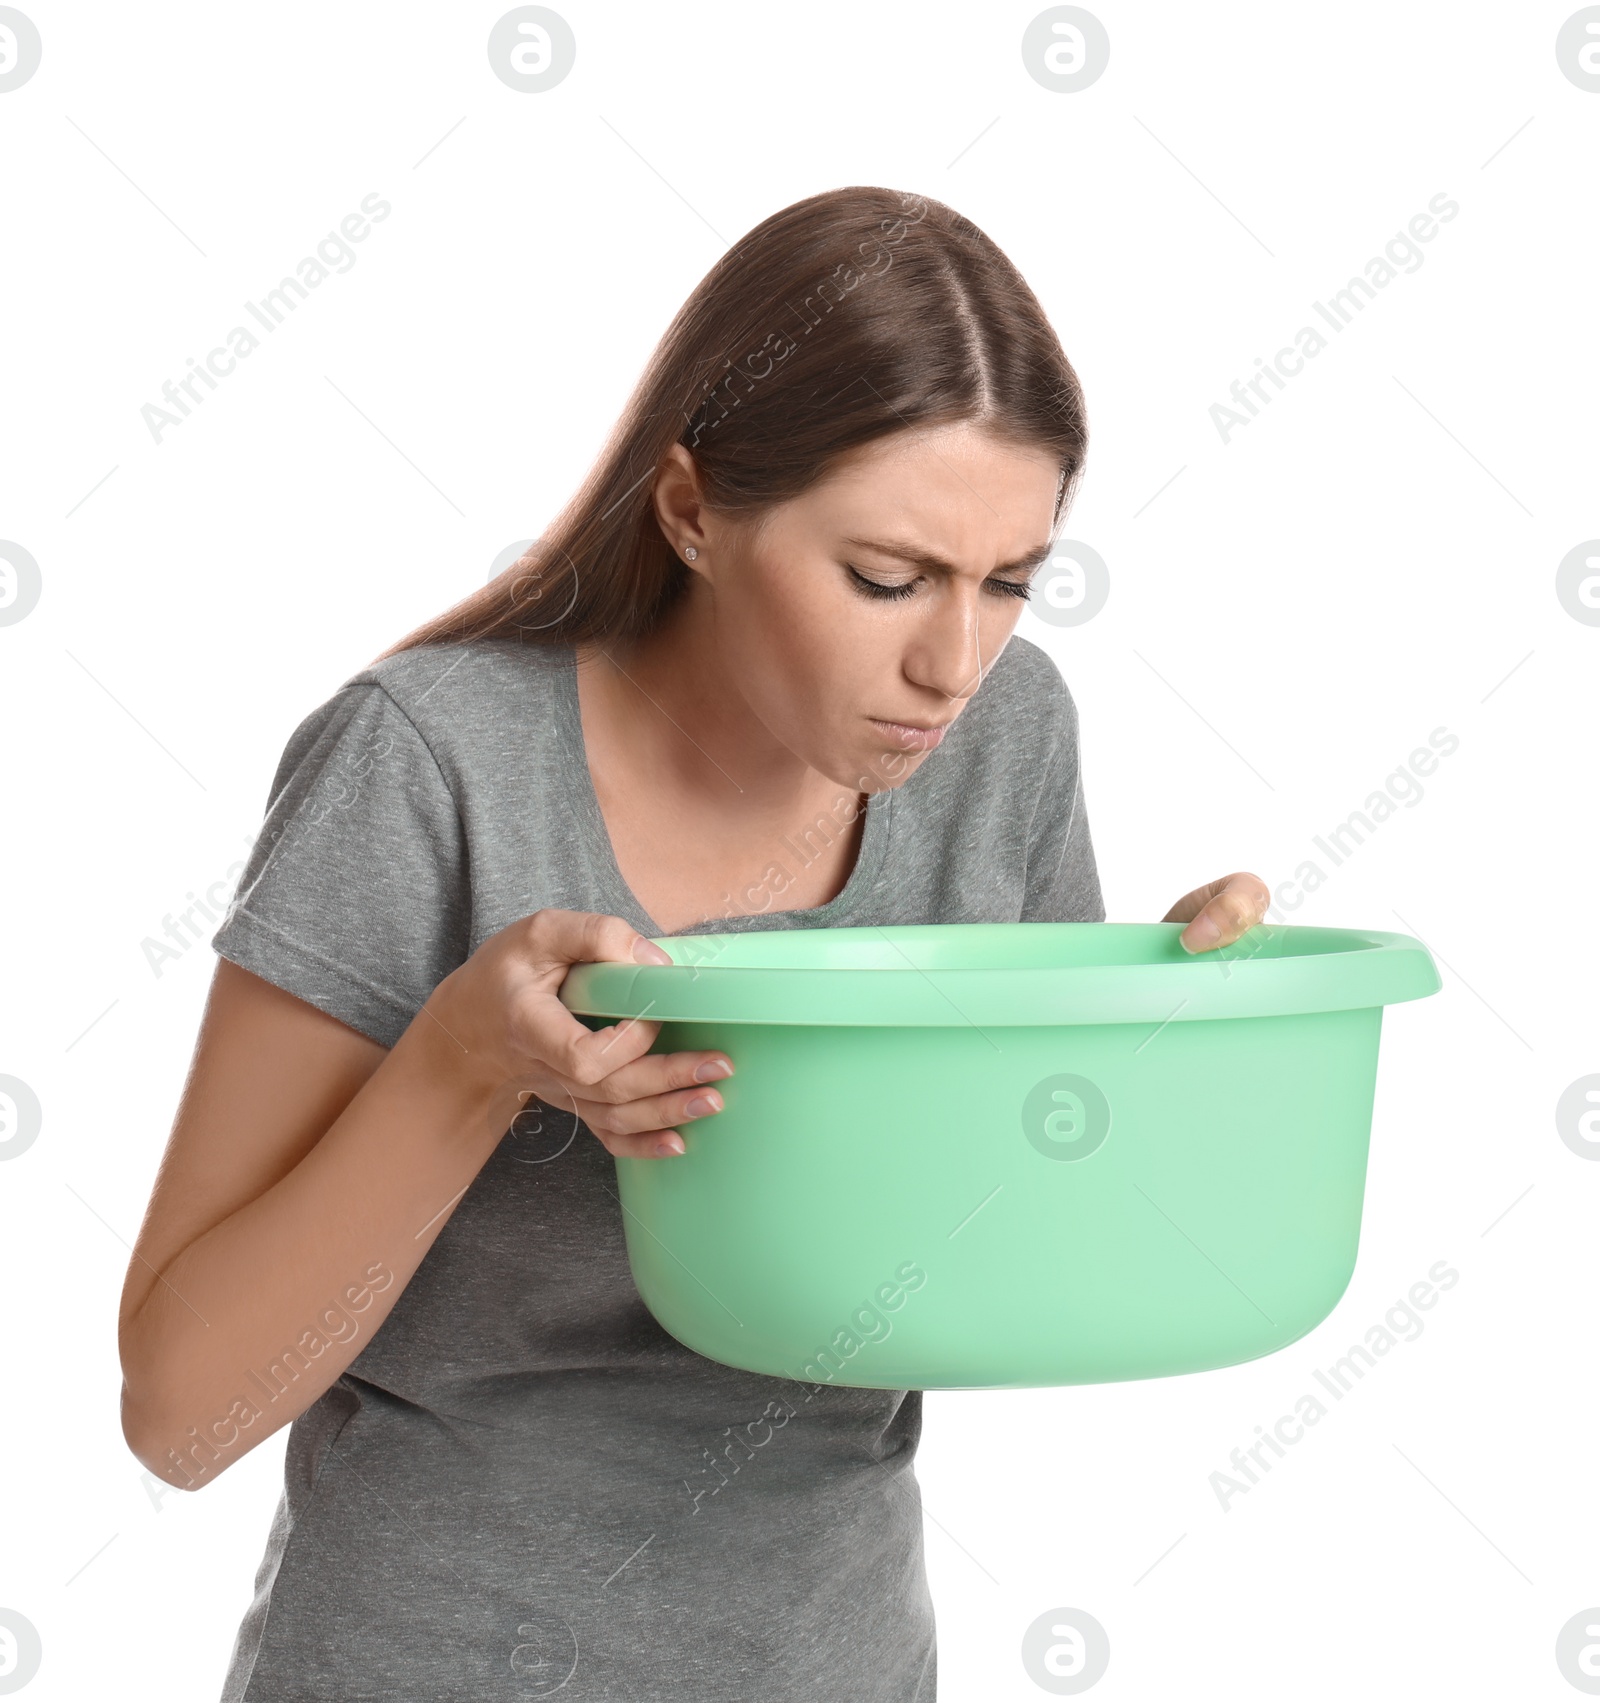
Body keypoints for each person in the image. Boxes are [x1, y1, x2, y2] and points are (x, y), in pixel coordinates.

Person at [117, 185, 1268, 1701]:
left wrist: (1169, 1054)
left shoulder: (1008, 742)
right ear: (690, 510)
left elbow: (1013, 1270)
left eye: (1011, 583)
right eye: (886, 577)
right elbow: (184, 1415)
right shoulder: (430, 762)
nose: (953, 662)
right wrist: (466, 1063)